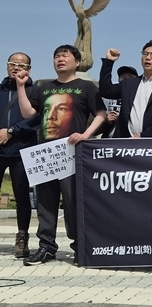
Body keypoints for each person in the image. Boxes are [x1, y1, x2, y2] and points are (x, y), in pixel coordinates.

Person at [15, 45, 106, 265]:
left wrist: (85, 135)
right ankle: (46, 247)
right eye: (57, 56)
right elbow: (28, 113)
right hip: (46, 153)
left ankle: (80, 246)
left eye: (65, 56)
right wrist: (21, 86)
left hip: (72, 153)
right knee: (45, 203)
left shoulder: (86, 87)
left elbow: (101, 114)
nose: (60, 59)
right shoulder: (45, 87)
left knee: (73, 202)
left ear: (77, 62)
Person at [0, 53, 40, 258]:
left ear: (28, 69)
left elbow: (37, 118)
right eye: (12, 64)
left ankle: (22, 237)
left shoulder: (35, 90)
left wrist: (12, 131)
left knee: (22, 195)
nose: (15, 67)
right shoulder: (1, 89)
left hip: (22, 149)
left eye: (20, 65)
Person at [99, 40, 152, 138]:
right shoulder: (129, 83)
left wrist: (144, 135)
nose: (148, 57)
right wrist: (109, 62)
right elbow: (106, 91)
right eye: (145, 54)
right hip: (126, 142)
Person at [100, 66, 138, 138]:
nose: (127, 79)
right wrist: (106, 120)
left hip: (134, 139)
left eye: (130, 77)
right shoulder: (106, 97)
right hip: (110, 140)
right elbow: (95, 129)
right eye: (123, 76)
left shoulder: (140, 97)